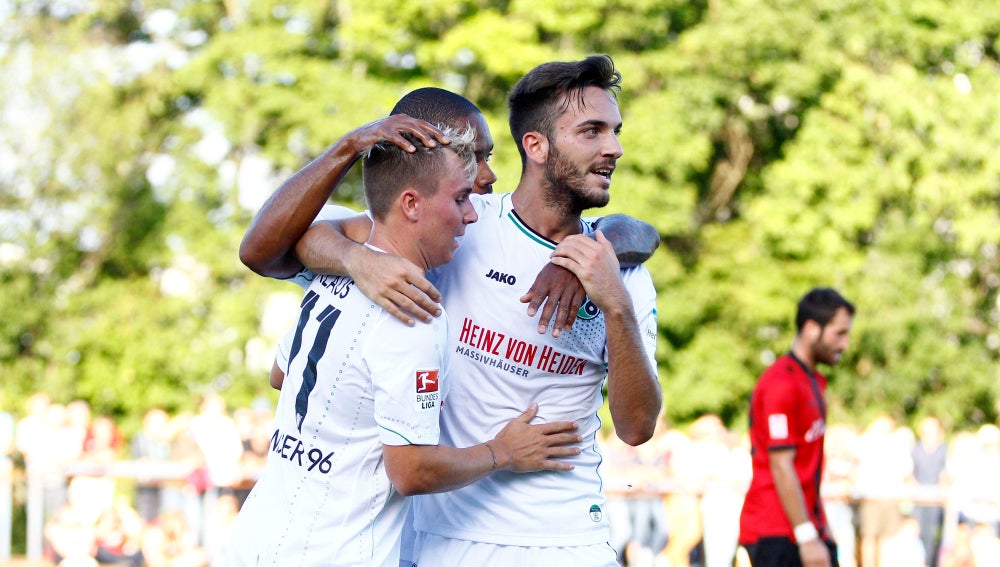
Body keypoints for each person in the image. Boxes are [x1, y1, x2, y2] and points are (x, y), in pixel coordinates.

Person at [247, 55, 662, 565]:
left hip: (565, 540)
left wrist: (612, 300)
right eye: (592, 131)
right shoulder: (460, 222)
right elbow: (294, 241)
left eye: (615, 131)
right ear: (536, 145)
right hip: (437, 541)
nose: (614, 148)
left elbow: (637, 428)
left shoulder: (624, 272)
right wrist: (360, 262)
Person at [226, 124, 583, 567]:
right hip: (333, 553)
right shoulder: (413, 315)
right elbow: (411, 471)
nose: (472, 213)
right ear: (410, 203)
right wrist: (504, 451)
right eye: (460, 198)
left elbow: (281, 374)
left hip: (254, 537)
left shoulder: (331, 268)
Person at [739, 287, 856, 567]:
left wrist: (819, 528)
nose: (845, 344)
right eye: (839, 333)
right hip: (776, 533)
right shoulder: (781, 383)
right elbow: (782, 466)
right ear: (811, 328)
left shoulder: (811, 380)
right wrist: (807, 537)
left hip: (805, 528)